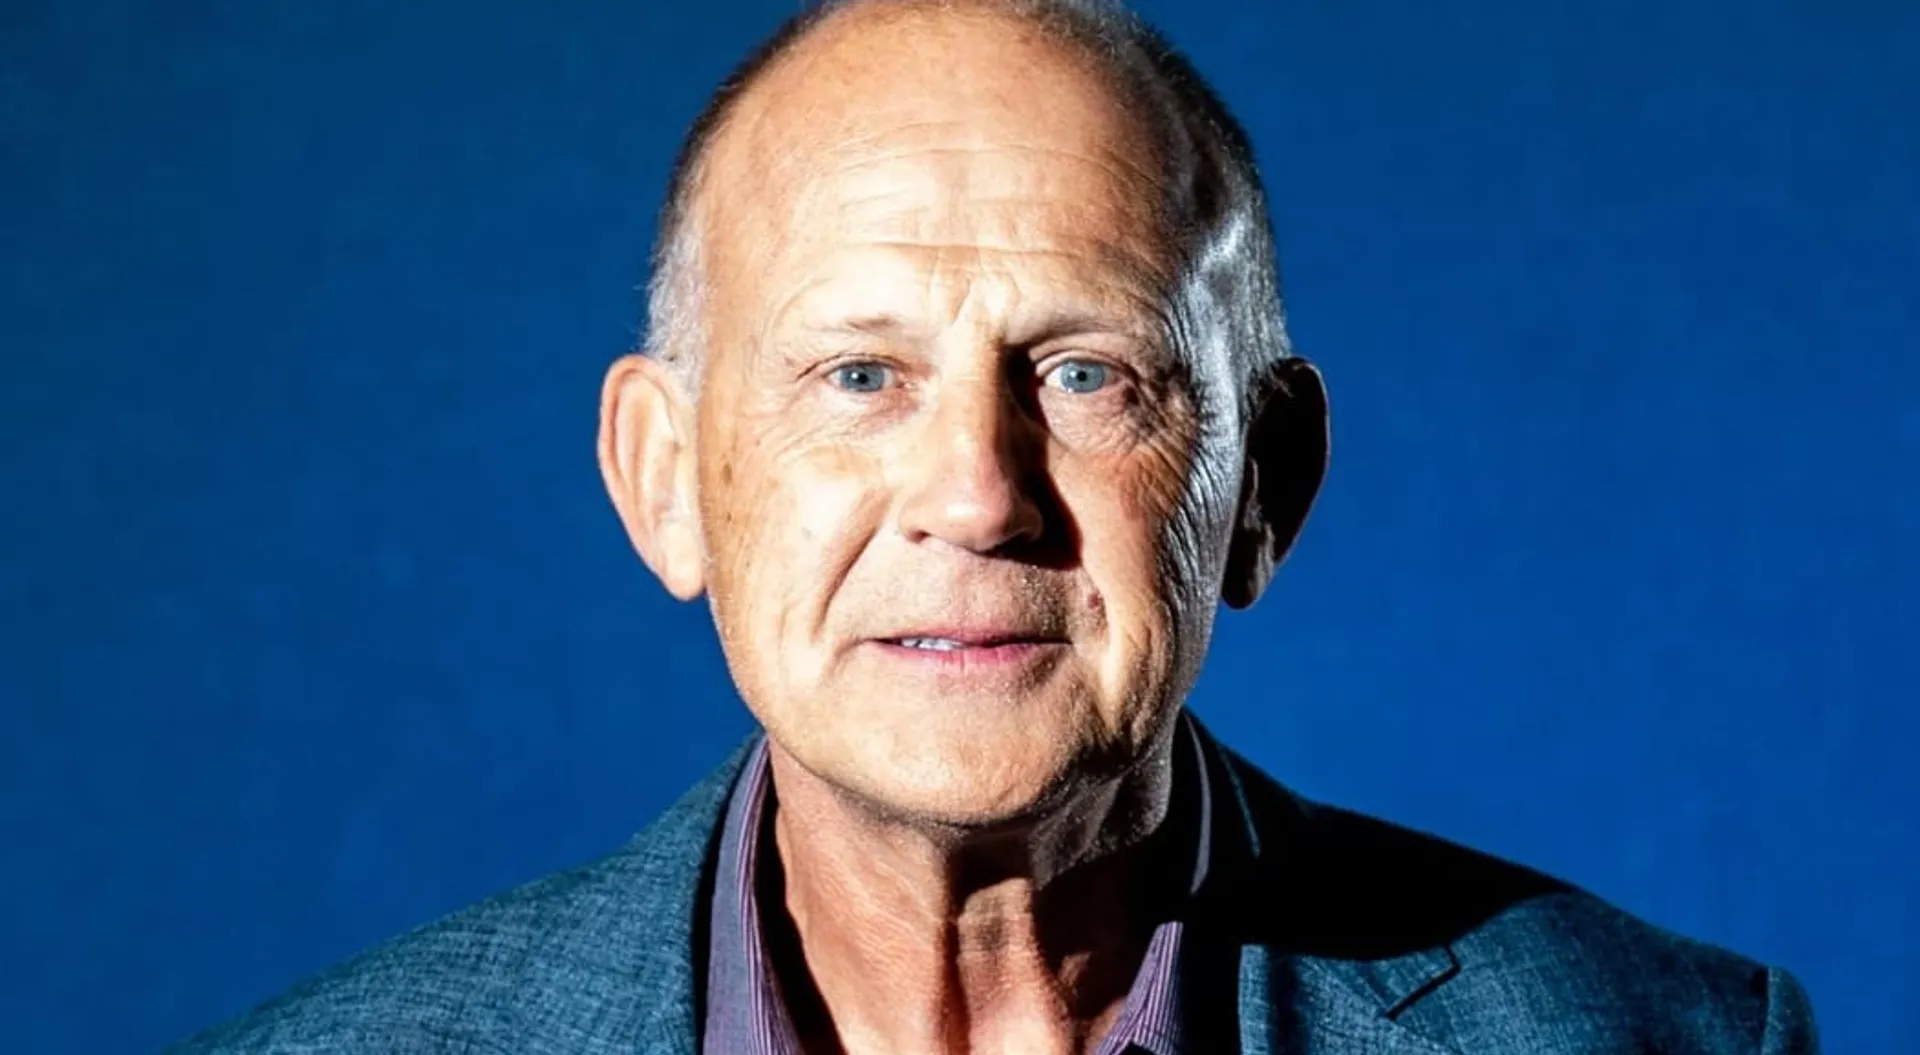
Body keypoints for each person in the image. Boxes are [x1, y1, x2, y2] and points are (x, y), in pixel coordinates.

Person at [173, 1, 1819, 1052]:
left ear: (1265, 482)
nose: (976, 492)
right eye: (860, 374)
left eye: (1089, 375)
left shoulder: (1672, 1038)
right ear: (663, 477)